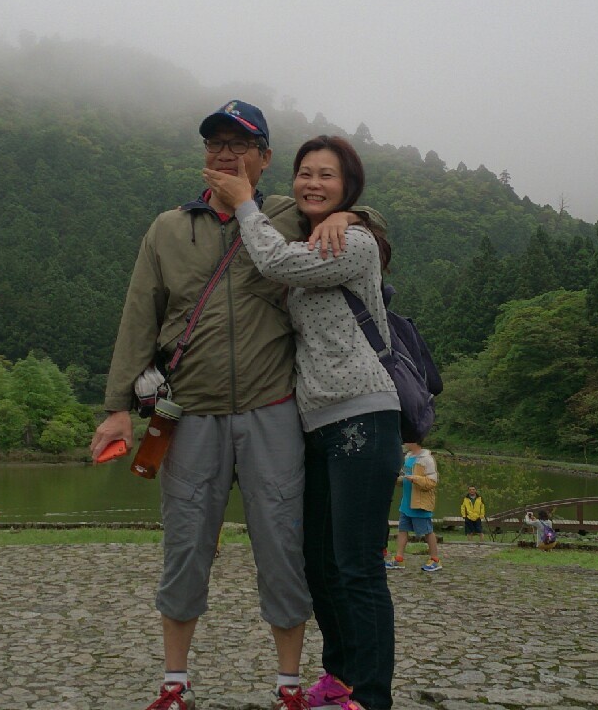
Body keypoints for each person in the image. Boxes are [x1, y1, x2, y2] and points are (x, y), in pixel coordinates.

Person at [89, 101, 378, 710]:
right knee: (186, 544)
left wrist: (351, 213)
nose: (225, 155)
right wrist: (117, 407)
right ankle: (174, 682)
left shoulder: (288, 216)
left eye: (239, 145)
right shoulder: (168, 228)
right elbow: (138, 317)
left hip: (273, 409)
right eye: (215, 144)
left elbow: (366, 228)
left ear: (264, 158)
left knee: (283, 546)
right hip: (189, 411)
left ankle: (288, 686)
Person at [205, 133, 402, 710]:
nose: (313, 183)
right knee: (319, 562)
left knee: (358, 565)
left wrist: (245, 202)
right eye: (305, 173)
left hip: (363, 413)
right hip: (315, 423)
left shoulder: (354, 240)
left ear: (348, 187)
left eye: (327, 176)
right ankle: (338, 675)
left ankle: (370, 695)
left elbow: (274, 261)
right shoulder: (317, 233)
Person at [387, 442, 441, 573]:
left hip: (420, 504)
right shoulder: (408, 457)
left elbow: (432, 482)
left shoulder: (427, 459)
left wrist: (415, 478)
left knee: (427, 532)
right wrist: (395, 479)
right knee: (402, 530)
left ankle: (435, 560)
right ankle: (399, 559)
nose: (404, 442)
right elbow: (404, 478)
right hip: (406, 503)